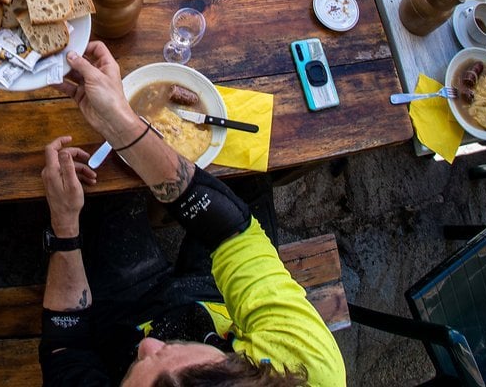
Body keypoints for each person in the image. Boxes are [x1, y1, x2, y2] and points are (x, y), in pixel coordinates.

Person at [37, 41, 347, 386]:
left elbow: (65, 348)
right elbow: (232, 231)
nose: (150, 346)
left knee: (105, 192)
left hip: (127, 312)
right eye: (167, 356)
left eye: (136, 373)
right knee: (249, 179)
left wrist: (64, 225)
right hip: (219, 298)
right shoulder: (303, 369)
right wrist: (119, 123)